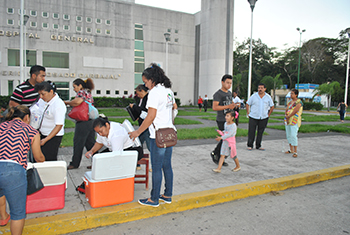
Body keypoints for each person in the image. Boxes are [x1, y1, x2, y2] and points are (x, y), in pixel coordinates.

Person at [129, 63, 177, 207]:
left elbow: (150, 117)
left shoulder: (155, 93)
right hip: (169, 133)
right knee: (167, 166)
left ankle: (153, 199)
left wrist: (137, 132)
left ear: (152, 79)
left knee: (156, 167)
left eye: (146, 82)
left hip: (157, 135)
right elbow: (174, 110)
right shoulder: (168, 90)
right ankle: (167, 194)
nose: (146, 85)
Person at [0, 105, 45, 235]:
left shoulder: (1, 126)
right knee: (18, 212)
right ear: (26, 117)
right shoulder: (31, 131)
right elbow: (38, 156)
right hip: (13, 170)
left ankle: (3, 217)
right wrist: (43, 160)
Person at [65, 78, 96, 170]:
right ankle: (97, 162)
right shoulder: (88, 92)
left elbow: (77, 102)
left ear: (80, 86)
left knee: (78, 142)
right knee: (90, 143)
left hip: (83, 121)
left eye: (74, 87)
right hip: (90, 120)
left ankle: (74, 163)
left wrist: (66, 102)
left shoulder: (81, 92)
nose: (74, 89)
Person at [35, 81, 67, 161]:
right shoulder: (42, 100)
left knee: (49, 159)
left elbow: (59, 125)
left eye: (43, 94)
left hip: (52, 136)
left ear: (51, 92)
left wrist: (46, 139)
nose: (41, 96)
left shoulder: (58, 105)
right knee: (39, 157)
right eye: (39, 94)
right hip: (42, 134)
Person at [210, 74, 236, 166]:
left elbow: (229, 104)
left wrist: (233, 105)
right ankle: (216, 154)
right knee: (226, 139)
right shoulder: (218, 94)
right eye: (227, 83)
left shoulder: (229, 93)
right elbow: (214, 107)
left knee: (227, 139)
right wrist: (228, 106)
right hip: (222, 119)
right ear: (222, 82)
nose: (229, 85)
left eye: (230, 83)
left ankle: (220, 156)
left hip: (230, 120)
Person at [246, 83, 274, 150]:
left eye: (261, 88)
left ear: (265, 89)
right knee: (251, 131)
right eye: (259, 88)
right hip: (253, 116)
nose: (260, 89)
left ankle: (258, 145)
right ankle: (250, 145)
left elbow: (272, 106)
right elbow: (247, 104)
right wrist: (248, 113)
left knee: (260, 132)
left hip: (263, 117)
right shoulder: (254, 96)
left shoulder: (268, 97)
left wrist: (268, 114)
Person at [129, 84, 151, 152]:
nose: (138, 96)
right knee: (138, 143)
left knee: (149, 145)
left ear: (142, 91)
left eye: (138, 94)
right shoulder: (143, 99)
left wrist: (134, 107)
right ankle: (137, 158)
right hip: (143, 126)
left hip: (147, 127)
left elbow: (145, 112)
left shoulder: (148, 98)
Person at [284, 89, 303, 158]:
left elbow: (295, 110)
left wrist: (289, 116)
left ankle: (295, 151)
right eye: (290, 93)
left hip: (294, 120)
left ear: (296, 94)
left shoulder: (299, 102)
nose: (290, 95)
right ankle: (291, 149)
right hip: (288, 120)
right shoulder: (289, 102)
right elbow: (287, 109)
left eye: (292, 93)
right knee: (288, 135)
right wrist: (286, 115)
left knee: (293, 135)